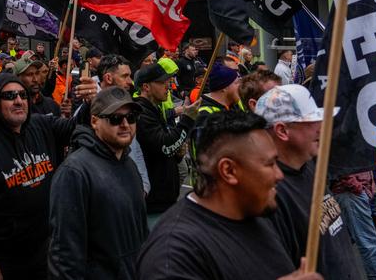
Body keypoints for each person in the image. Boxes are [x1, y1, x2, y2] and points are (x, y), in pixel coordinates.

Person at [137, 111, 322, 280]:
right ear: (229, 170)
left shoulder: (258, 213)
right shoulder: (174, 253)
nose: (279, 175)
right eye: (269, 164)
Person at [0, 74, 86, 280]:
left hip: (48, 249)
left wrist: (91, 103)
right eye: (9, 96)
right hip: (5, 260)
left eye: (22, 95)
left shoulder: (41, 125)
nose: (18, 101)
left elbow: (78, 127)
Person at [255, 85, 361, 280]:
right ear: (282, 131)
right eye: (312, 119)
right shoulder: (268, 194)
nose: (322, 126)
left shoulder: (310, 166)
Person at [48, 87, 148, 280]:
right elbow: (64, 253)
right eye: (115, 119)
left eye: (131, 117)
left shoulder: (129, 165)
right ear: (95, 121)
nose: (125, 124)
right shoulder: (74, 172)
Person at [134, 63, 198, 227]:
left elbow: (163, 149)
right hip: (153, 204)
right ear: (146, 87)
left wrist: (177, 156)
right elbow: (164, 146)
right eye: (162, 83)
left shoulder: (153, 109)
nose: (168, 87)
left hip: (164, 201)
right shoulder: (141, 112)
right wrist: (187, 120)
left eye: (168, 82)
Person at [97, 55, 150, 195]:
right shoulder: (88, 110)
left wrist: (143, 187)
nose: (130, 82)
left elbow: (134, 149)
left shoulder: (128, 105)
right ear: (108, 78)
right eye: (115, 119)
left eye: (131, 118)